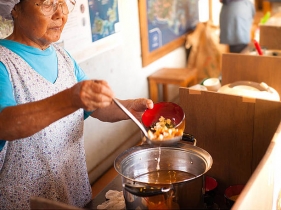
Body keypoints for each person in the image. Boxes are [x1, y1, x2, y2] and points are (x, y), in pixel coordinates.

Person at [0, 0, 154, 209]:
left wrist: (129, 108)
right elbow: (5, 124)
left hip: (73, 192)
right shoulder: (4, 63)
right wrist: (70, 99)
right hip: (27, 201)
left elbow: (93, 106)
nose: (60, 15)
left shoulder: (62, 56)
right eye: (47, 4)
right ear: (15, 8)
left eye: (63, 3)